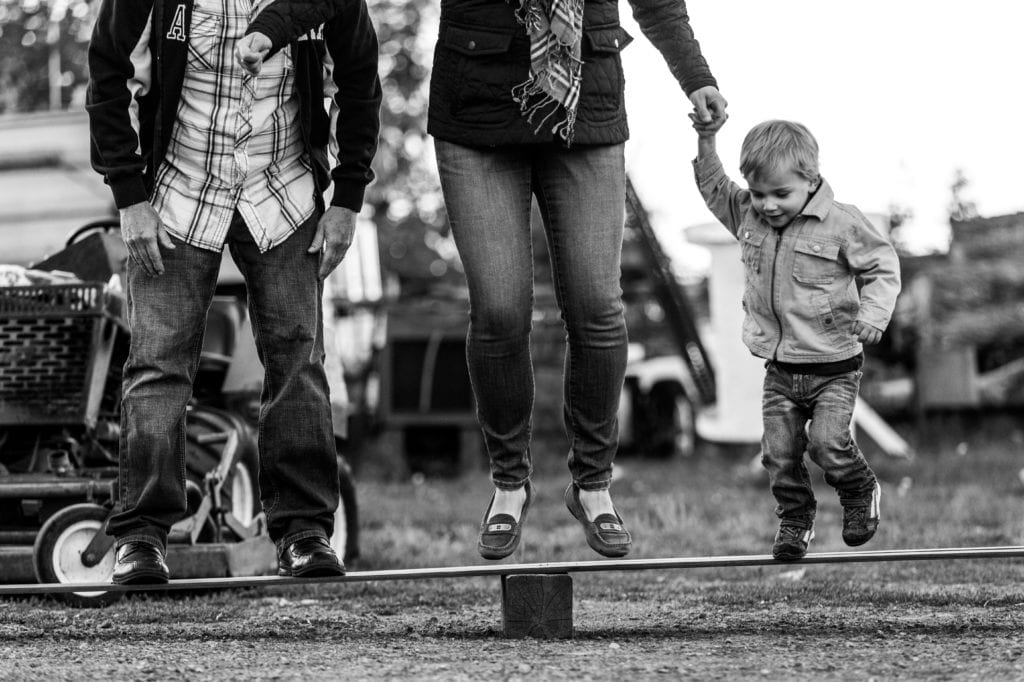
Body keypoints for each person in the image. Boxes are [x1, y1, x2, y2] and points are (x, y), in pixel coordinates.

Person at [86, 0, 381, 584]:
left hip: (284, 188)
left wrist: (348, 198)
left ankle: (303, 533)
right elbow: (106, 69)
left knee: (299, 359)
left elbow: (360, 82)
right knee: (158, 363)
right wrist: (128, 196)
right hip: (179, 189)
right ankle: (142, 538)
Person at [427, 0, 727, 559]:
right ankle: (509, 485)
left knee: (597, 306)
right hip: (476, 107)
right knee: (499, 311)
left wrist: (696, 76)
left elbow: (659, 5)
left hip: (586, 109)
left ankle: (592, 485)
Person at [690, 116, 901, 561]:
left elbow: (882, 266)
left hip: (835, 367)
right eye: (759, 192)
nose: (767, 205)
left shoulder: (841, 223)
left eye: (780, 194)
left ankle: (859, 489)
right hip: (781, 369)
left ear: (810, 180)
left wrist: (874, 313)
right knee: (778, 453)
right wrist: (706, 139)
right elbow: (712, 185)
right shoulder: (747, 213)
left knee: (827, 443)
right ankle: (795, 520)